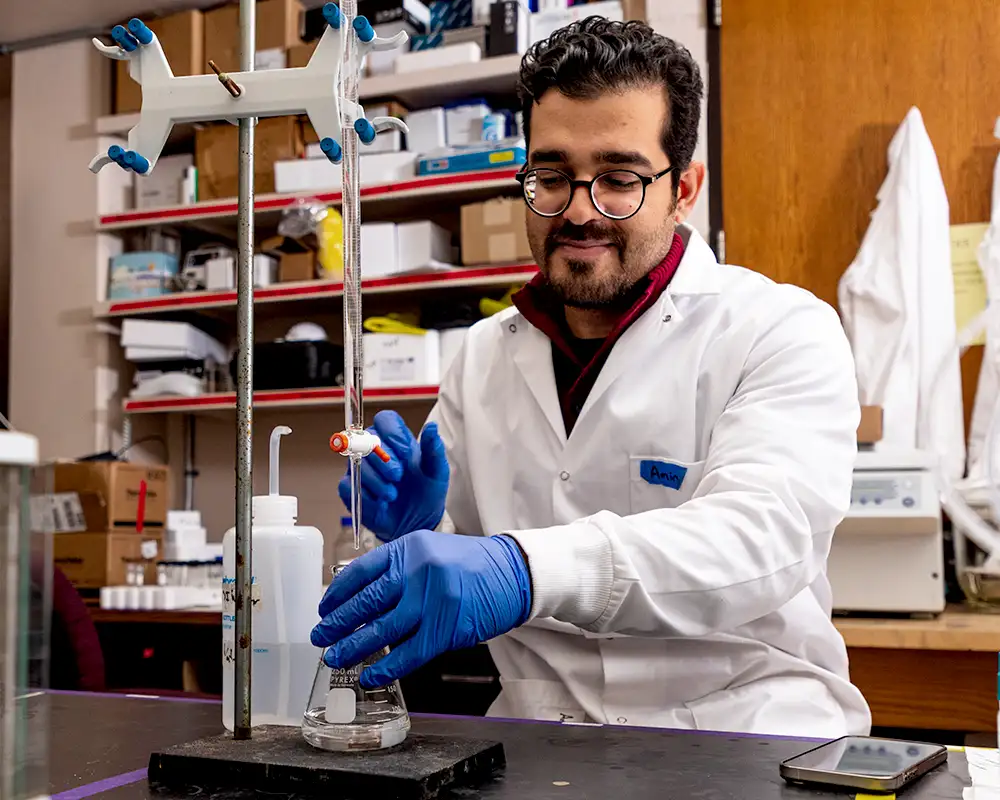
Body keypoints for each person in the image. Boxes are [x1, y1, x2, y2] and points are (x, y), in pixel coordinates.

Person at [312, 16, 872, 738]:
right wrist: (421, 527)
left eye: (618, 179)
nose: (578, 209)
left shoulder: (779, 329)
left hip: (747, 739)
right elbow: (459, 561)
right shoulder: (482, 356)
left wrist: (522, 571)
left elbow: (758, 539)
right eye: (551, 176)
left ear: (684, 188)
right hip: (537, 745)